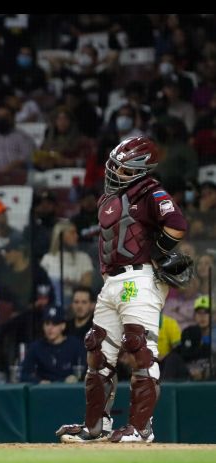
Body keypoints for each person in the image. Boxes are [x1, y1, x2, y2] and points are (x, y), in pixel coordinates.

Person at [57, 136, 190, 444]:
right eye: (114, 166)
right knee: (98, 352)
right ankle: (96, 427)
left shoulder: (151, 192)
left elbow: (177, 223)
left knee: (140, 348)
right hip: (113, 281)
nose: (115, 172)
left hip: (140, 278)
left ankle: (141, 429)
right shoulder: (108, 198)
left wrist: (157, 253)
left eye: (123, 168)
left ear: (141, 169)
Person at [20, 306, 85, 384]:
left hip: (69, 391)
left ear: (63, 326)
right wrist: (39, 381)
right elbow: (23, 375)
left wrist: (75, 378)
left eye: (55, 324)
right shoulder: (36, 347)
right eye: (47, 324)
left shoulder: (75, 345)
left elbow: (87, 370)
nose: (50, 328)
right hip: (44, 392)